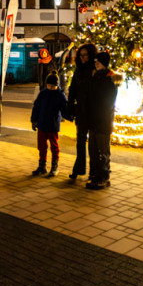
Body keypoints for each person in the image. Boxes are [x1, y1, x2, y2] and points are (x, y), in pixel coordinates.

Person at [86, 51, 118, 190]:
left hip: (103, 120)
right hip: (93, 120)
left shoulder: (110, 80)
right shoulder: (95, 77)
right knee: (93, 149)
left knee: (103, 150)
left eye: (98, 61)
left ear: (104, 63)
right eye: (95, 61)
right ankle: (94, 174)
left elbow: (108, 102)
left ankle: (103, 176)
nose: (96, 63)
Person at [67, 44, 97, 182]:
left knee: (92, 144)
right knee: (80, 141)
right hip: (81, 110)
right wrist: (70, 105)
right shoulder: (78, 71)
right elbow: (72, 89)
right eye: (81, 55)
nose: (83, 58)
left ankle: (93, 172)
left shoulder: (94, 70)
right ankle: (78, 169)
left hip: (92, 111)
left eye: (85, 55)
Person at [31, 73, 68, 177]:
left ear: (57, 85)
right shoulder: (43, 94)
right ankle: (42, 166)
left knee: (54, 146)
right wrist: (34, 120)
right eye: (49, 86)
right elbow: (36, 107)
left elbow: (64, 109)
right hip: (42, 123)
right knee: (41, 146)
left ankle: (54, 166)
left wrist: (70, 116)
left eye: (53, 86)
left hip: (53, 124)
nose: (51, 88)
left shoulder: (60, 95)